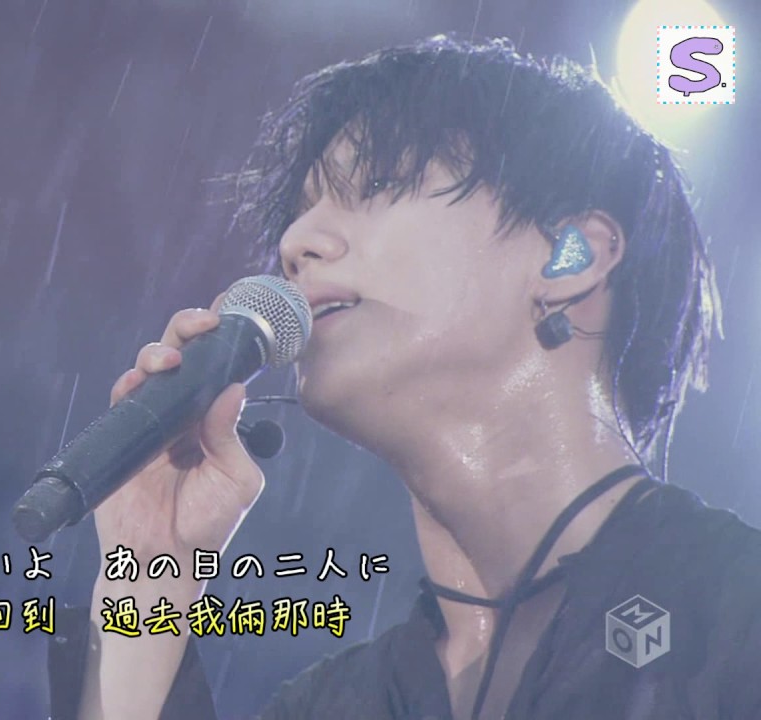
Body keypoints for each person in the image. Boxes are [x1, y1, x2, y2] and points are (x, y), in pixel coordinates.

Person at [43, 35, 761, 720]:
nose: (296, 243)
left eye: (380, 183)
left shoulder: (735, 616)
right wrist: (151, 574)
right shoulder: (336, 706)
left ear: (569, 256)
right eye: (300, 211)